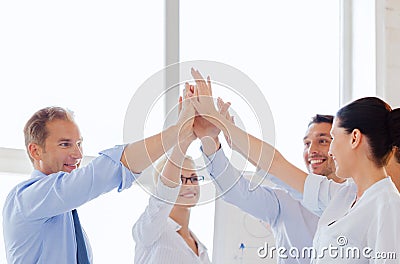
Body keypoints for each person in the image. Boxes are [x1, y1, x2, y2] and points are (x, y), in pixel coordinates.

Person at [189, 68, 400, 263]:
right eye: (307, 143)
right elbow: (275, 164)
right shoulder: (343, 197)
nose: (329, 150)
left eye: (331, 139)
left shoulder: (388, 207)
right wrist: (220, 127)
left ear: (354, 138)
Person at [2, 90, 195, 264]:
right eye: (65, 144)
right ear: (35, 151)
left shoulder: (63, 211)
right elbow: (105, 172)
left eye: (79, 143)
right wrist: (177, 132)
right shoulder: (27, 198)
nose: (78, 154)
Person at [195, 99, 344, 263]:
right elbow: (235, 191)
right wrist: (210, 141)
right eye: (307, 143)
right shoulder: (284, 201)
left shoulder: (356, 197)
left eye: (322, 141)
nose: (312, 151)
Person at [132, 85, 211, 264]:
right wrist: (182, 141)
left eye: (193, 178)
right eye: (180, 179)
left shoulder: (201, 248)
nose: (189, 185)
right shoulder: (150, 231)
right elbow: (161, 198)